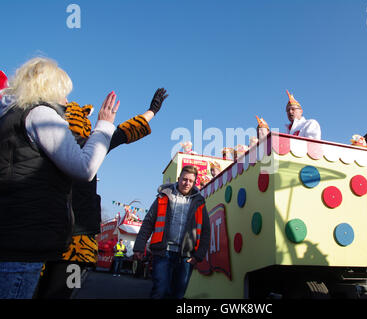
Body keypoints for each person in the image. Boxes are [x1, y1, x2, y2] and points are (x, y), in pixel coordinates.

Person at [0, 57, 119, 299]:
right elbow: (85, 168)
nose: (66, 101)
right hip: (25, 243)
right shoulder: (40, 114)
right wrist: (104, 126)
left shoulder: (7, 117)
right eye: (63, 94)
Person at [34, 88, 168, 299]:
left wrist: (151, 111)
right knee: (51, 292)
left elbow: (122, 133)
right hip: (48, 237)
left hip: (75, 239)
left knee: (59, 292)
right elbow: (121, 133)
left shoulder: (91, 145)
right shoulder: (45, 141)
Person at [133, 165, 211, 299]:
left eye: (191, 181)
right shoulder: (163, 196)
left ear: (194, 182)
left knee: (178, 295)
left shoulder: (199, 202)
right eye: (184, 179)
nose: (187, 183)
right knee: (160, 291)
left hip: (186, 256)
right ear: (178, 178)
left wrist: (198, 255)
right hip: (163, 252)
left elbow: (206, 231)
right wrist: (139, 246)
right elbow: (148, 222)